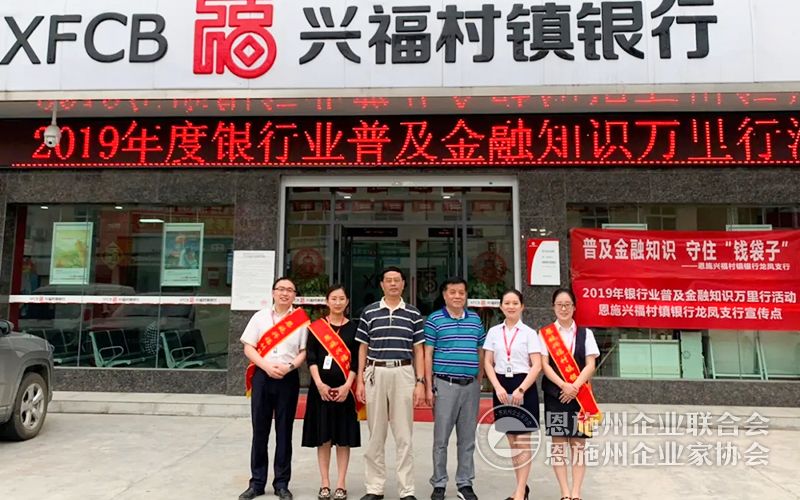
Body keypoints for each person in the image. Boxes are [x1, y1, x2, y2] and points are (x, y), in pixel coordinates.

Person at [355, 266, 425, 500]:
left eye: (397, 280)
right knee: (376, 434)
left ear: (404, 284)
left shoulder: (413, 314)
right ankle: (375, 488)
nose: (393, 284)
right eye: (388, 280)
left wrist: (420, 381)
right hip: (375, 372)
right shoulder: (369, 312)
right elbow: (363, 347)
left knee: (404, 435)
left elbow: (419, 350)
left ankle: (407, 490)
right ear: (382, 285)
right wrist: (360, 380)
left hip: (403, 372)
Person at [239, 277, 309, 500]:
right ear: (273, 292)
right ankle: (257, 482)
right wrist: (266, 366)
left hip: (288, 377)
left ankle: (281, 483)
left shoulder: (301, 320)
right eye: (281, 289)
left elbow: (303, 351)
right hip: (262, 376)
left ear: (294, 295)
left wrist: (290, 367)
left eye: (289, 290)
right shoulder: (259, 317)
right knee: (259, 431)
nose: (285, 293)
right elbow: (249, 347)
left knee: (284, 431)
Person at [423, 277, 485, 500]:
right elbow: (428, 353)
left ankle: (464, 483)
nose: (457, 296)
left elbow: (480, 350)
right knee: (441, 439)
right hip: (444, 385)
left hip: (470, 386)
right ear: (444, 295)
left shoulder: (475, 320)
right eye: (453, 292)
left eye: (461, 292)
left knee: (467, 439)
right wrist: (428, 386)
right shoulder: (434, 320)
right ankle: (439, 483)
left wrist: (479, 379)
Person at [483, 289, 544, 500]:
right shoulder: (493, 332)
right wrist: (497, 387)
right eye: (507, 303)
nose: (511, 306)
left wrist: (521, 389)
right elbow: (488, 362)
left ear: (522, 306)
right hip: (501, 386)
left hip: (523, 385)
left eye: (515, 303)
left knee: (523, 441)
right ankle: (522, 488)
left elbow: (536, 365)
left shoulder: (529, 333)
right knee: (512, 441)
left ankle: (519, 492)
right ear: (501, 306)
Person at [540, 288, 600, 500]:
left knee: (578, 445)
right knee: (558, 445)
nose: (563, 308)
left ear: (574, 307)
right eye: (559, 304)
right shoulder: (545, 334)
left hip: (580, 397)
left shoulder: (586, 334)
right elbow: (544, 365)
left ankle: (576, 493)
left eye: (567, 304)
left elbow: (591, 364)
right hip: (555, 395)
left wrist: (574, 386)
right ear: (553, 307)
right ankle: (565, 492)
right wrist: (563, 386)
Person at [303, 285, 361, 500]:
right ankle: (325, 482)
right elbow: (311, 357)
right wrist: (319, 384)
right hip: (321, 390)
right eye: (333, 298)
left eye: (341, 299)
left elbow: (356, 360)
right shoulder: (316, 328)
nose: (337, 302)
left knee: (343, 439)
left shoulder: (354, 328)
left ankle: (341, 483)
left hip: (346, 391)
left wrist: (347, 385)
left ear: (347, 302)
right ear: (327, 301)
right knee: (324, 437)